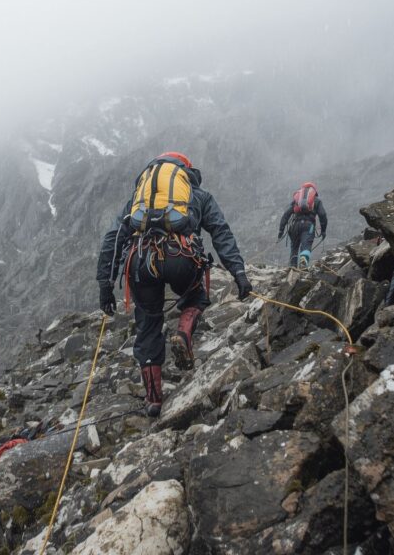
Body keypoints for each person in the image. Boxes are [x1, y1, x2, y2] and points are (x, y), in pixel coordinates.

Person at [97, 152, 252, 417]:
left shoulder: (138, 200)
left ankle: (154, 400)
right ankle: (183, 333)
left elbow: (114, 238)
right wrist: (238, 272)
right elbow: (220, 232)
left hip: (140, 262)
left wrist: (105, 283)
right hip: (180, 258)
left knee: (148, 322)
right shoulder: (196, 195)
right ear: (185, 172)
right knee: (195, 297)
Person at [277, 182, 328, 268]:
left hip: (294, 226)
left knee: (294, 247)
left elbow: (286, 215)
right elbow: (322, 215)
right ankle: (303, 265)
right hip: (308, 226)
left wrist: (281, 231)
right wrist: (323, 231)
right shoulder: (316, 201)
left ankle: (292, 266)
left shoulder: (297, 201)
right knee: (306, 245)